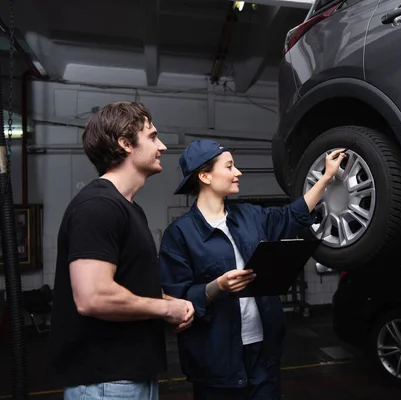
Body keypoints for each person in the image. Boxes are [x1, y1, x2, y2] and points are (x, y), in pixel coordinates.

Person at [158, 139, 346, 400]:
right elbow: (176, 301)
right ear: (205, 176)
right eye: (230, 166)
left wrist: (326, 177)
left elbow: (292, 215)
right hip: (216, 361)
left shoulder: (250, 216)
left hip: (263, 353)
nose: (238, 173)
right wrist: (217, 287)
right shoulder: (179, 235)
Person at [48, 102, 195, 400]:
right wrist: (167, 308)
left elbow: (128, 286)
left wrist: (170, 302)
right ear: (126, 143)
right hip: (106, 383)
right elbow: (94, 297)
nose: (163, 146)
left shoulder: (129, 209)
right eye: (152, 137)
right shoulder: (97, 207)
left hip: (131, 376)